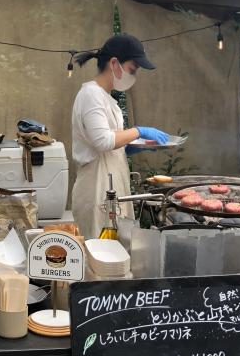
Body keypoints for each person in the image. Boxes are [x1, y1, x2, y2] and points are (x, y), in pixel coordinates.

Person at [71, 34, 169, 239]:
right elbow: (103, 141)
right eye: (132, 69)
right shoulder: (91, 95)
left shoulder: (107, 99)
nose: (134, 75)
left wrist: (131, 146)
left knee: (116, 253)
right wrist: (140, 131)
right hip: (97, 187)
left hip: (113, 184)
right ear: (114, 63)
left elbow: (110, 138)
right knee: (99, 256)